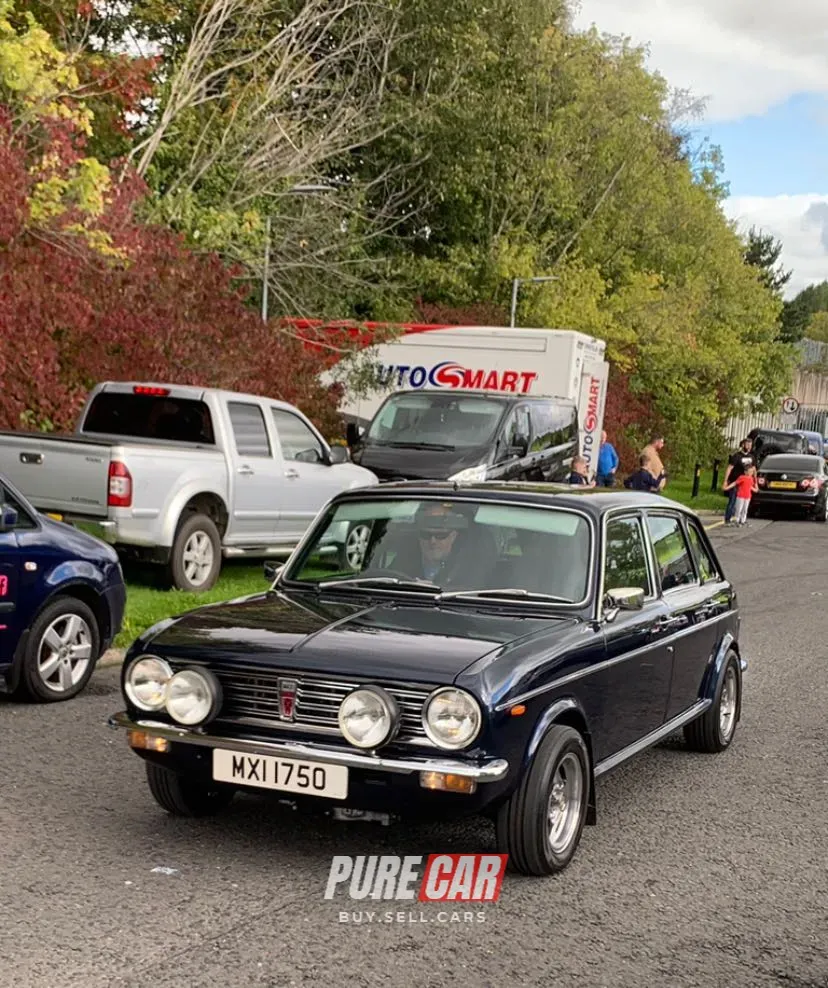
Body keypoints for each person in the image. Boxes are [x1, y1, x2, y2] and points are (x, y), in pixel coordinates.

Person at [722, 437, 755, 525]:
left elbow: (754, 469)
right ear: (743, 445)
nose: (749, 447)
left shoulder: (752, 457)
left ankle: (742, 519)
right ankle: (728, 519)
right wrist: (725, 481)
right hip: (736, 482)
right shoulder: (737, 456)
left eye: (750, 445)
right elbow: (729, 468)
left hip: (746, 483)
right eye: (747, 445)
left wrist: (755, 481)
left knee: (744, 503)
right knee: (732, 501)